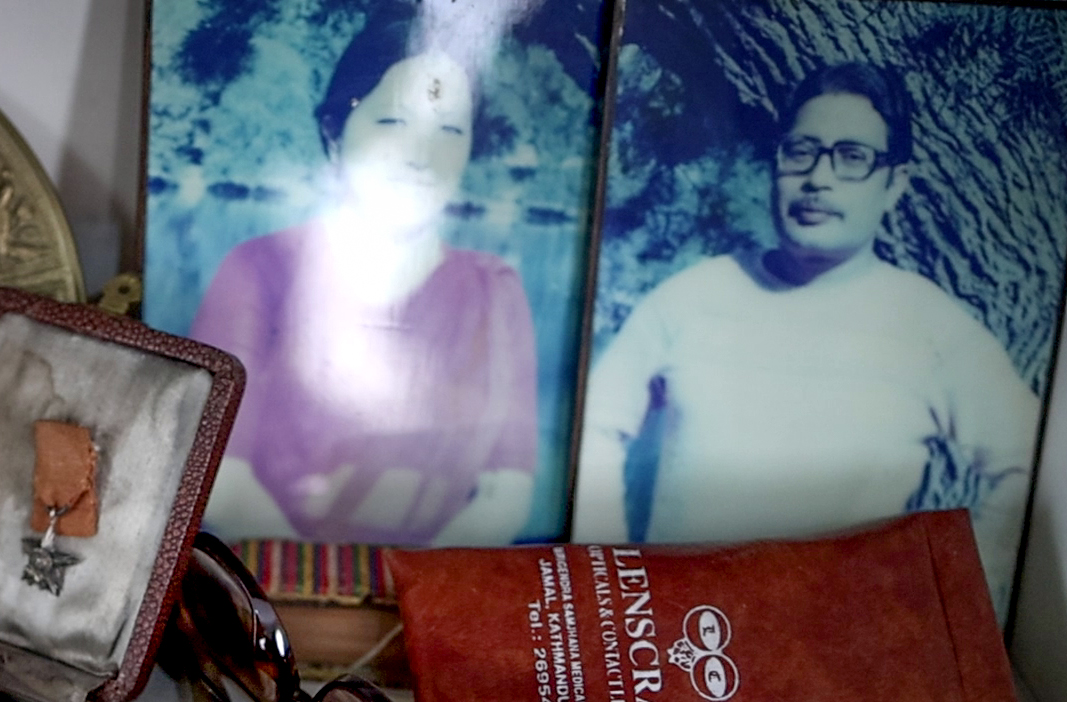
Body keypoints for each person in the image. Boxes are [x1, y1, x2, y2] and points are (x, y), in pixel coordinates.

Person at [572, 61, 1039, 602]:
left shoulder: (933, 327)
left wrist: (945, 599)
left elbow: (1028, 464)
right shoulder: (691, 296)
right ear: (777, 165)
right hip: (683, 626)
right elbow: (594, 425)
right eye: (801, 151)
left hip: (838, 647)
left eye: (852, 157)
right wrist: (613, 578)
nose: (818, 178)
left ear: (895, 184)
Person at [189, 6, 539, 547]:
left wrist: (411, 594)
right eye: (392, 121)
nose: (421, 156)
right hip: (272, 590)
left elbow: (507, 495)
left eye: (450, 130)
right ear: (335, 130)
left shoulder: (494, 290)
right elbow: (221, 481)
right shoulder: (258, 269)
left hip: (429, 599)